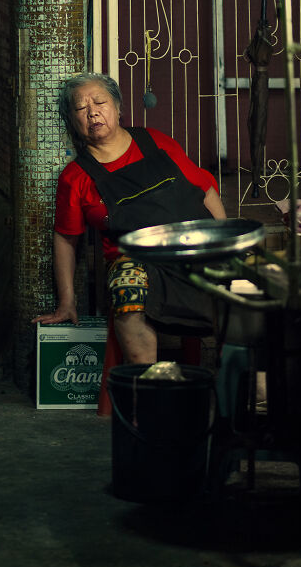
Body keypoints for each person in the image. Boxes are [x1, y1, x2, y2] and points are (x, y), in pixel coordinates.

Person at [34, 72, 227, 364]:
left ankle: (252, 391)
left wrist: (224, 243)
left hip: (192, 248)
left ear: (118, 108)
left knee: (245, 290)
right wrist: (67, 302)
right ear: (72, 121)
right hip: (137, 261)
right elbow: (65, 238)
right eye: (81, 108)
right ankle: (147, 383)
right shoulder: (76, 177)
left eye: (100, 101)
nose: (93, 112)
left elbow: (207, 191)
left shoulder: (155, 142)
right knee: (128, 287)